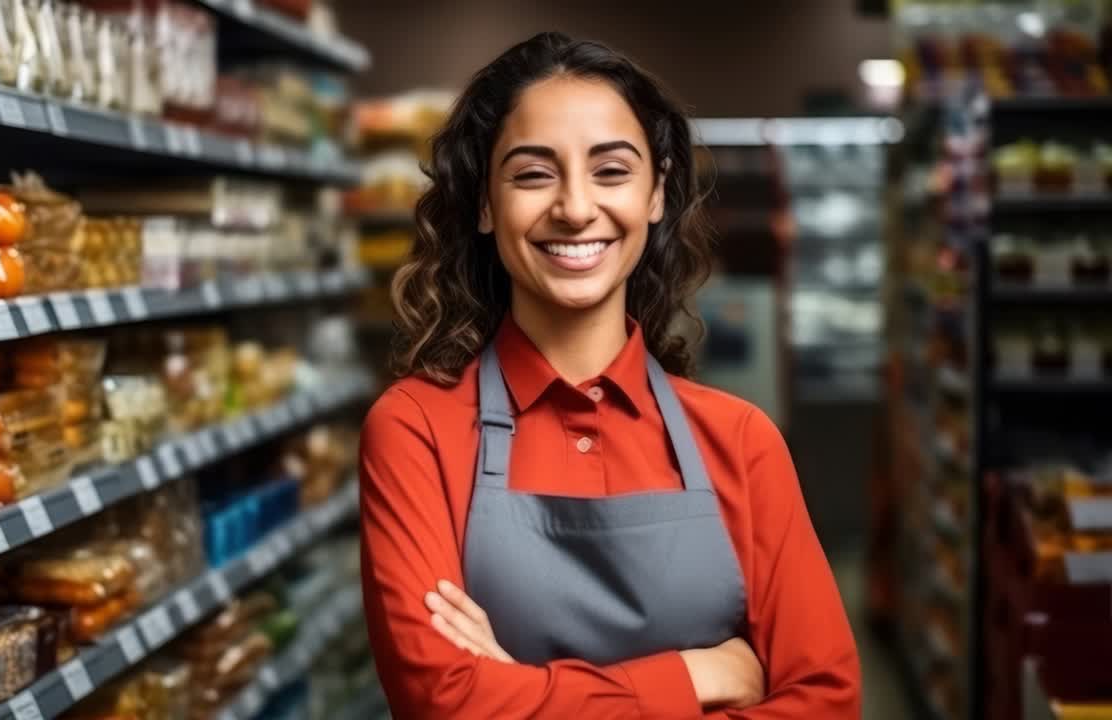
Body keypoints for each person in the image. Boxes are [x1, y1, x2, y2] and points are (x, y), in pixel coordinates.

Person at [358, 32, 861, 719]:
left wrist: (516, 692)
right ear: (484, 205)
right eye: (533, 174)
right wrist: (696, 676)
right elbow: (443, 703)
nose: (574, 207)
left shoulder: (742, 442)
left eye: (612, 171)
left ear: (656, 195)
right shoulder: (416, 430)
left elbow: (826, 703)